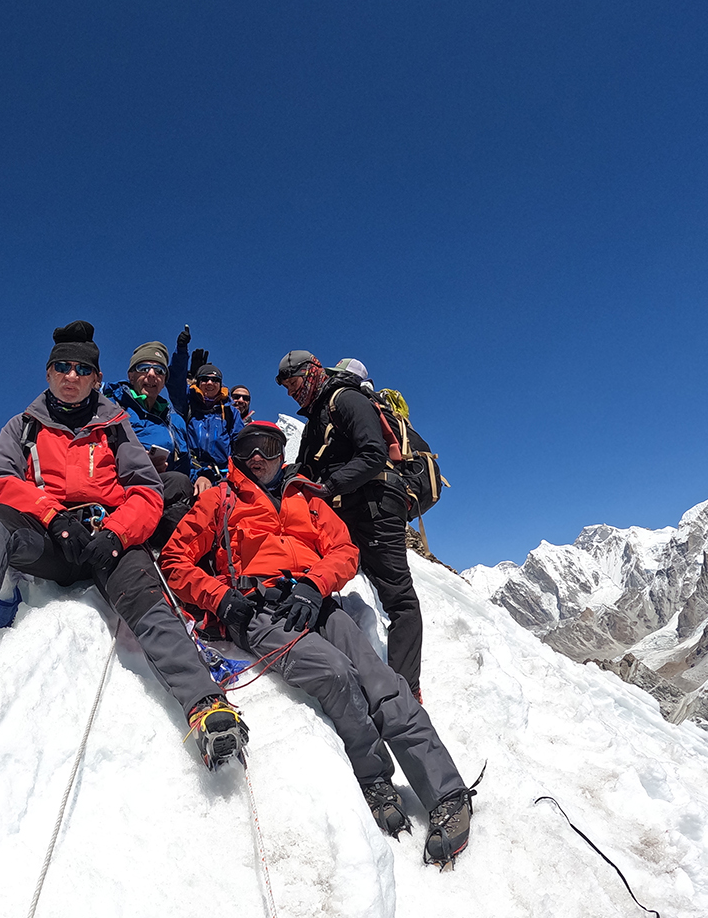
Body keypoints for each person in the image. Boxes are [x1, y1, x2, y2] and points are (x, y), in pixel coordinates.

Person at [0, 320, 248, 770]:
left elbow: (146, 490)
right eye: (61, 367)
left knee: (146, 595)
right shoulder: (23, 426)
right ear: (47, 374)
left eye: (81, 369)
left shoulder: (116, 426)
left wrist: (116, 533)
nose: (71, 376)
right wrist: (52, 516)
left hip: (109, 541)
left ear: (96, 378)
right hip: (50, 539)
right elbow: (0, 479)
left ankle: (205, 704)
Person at [160, 422, 476, 867]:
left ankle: (447, 792)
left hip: (316, 602)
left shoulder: (306, 498)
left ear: (281, 453)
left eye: (267, 447)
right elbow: (175, 560)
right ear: (236, 455)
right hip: (257, 610)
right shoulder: (220, 499)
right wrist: (220, 597)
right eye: (247, 449)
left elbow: (344, 550)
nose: (257, 457)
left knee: (381, 681)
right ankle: (374, 778)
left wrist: (315, 584)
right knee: (333, 673)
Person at [276, 350, 427, 699]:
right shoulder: (318, 416)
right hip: (347, 509)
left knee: (399, 599)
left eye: (293, 383)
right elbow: (310, 467)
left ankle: (406, 689)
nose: (291, 392)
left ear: (311, 372)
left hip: (376, 506)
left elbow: (374, 455)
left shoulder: (346, 399)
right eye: (286, 388)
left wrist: (328, 487)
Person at [102, 340, 196, 549]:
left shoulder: (174, 419)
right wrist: (135, 461)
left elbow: (184, 465)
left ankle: (170, 555)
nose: (152, 374)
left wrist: (204, 478)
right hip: (116, 483)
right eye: (144, 368)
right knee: (178, 484)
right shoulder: (110, 405)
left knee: (189, 488)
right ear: (131, 375)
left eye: (159, 370)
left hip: (157, 486)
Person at [168, 326, 244, 494]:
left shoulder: (230, 412)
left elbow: (240, 444)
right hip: (191, 472)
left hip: (223, 476)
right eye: (205, 379)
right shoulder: (187, 405)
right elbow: (174, 383)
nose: (210, 383)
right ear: (198, 382)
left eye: (214, 379)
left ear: (221, 384)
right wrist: (181, 351)